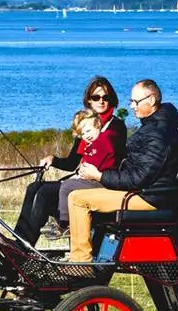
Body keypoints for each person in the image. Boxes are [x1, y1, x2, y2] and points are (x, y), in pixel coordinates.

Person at [67, 79, 178, 262]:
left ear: (151, 101)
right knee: (78, 193)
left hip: (149, 197)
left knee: (78, 199)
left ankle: (80, 262)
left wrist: (100, 175)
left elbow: (139, 178)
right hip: (147, 192)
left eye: (135, 102)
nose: (132, 106)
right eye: (131, 102)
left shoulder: (157, 133)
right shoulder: (154, 126)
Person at [13, 76, 127, 245]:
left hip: (102, 181)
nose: (101, 101)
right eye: (96, 97)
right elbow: (72, 162)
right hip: (84, 177)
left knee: (45, 194)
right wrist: (53, 159)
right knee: (34, 187)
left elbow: (110, 154)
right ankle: (19, 241)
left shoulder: (115, 127)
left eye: (106, 97)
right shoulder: (85, 126)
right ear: (89, 100)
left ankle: (28, 244)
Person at [52, 110, 118, 233]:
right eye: (83, 134)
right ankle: (65, 219)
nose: (86, 136)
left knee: (66, 186)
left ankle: (64, 222)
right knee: (67, 185)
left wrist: (79, 176)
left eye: (88, 131)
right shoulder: (93, 144)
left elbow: (93, 165)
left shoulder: (103, 140)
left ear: (98, 124)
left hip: (101, 181)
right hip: (95, 179)